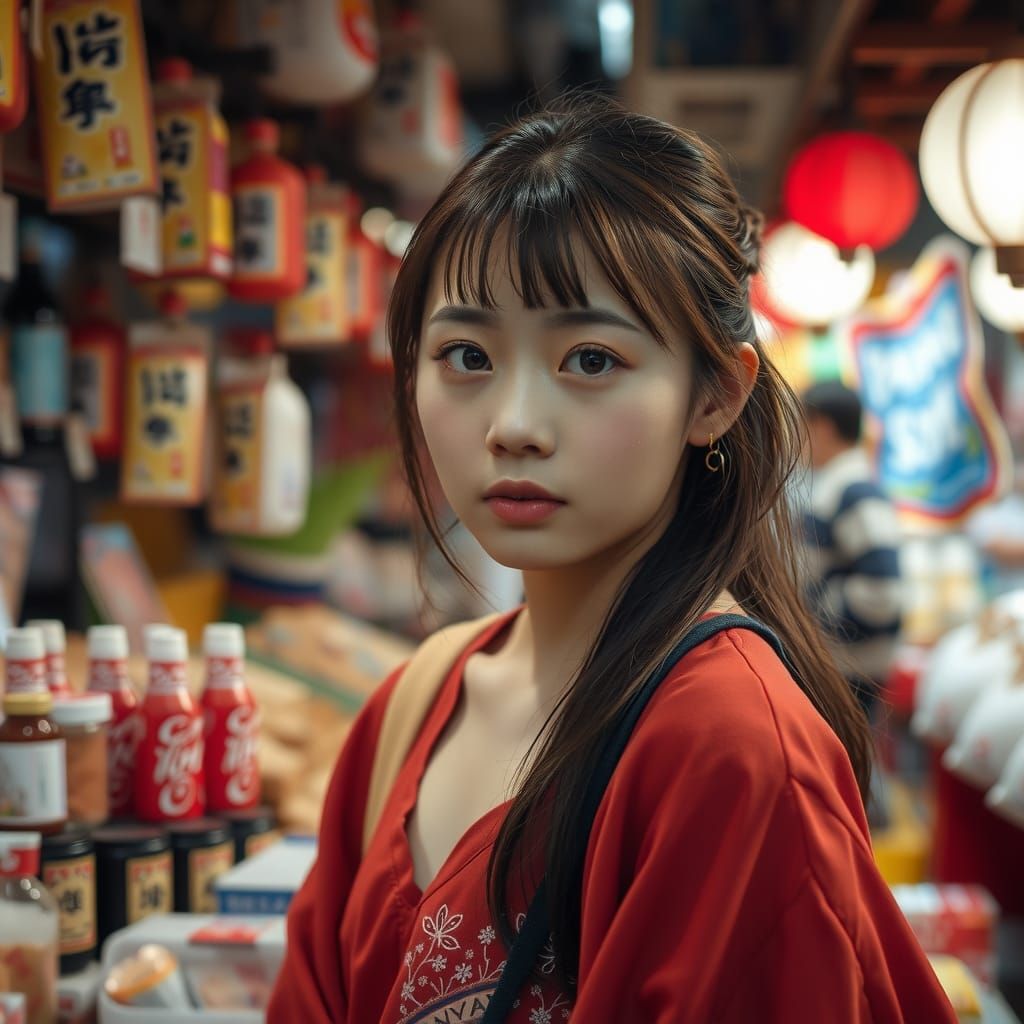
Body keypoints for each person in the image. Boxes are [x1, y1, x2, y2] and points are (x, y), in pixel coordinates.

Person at [270, 95, 955, 1022]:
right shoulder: (414, 702)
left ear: (713, 395)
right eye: (465, 354)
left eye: (590, 360)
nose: (513, 425)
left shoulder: (734, 750)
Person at [799, 381, 904, 718]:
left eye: (800, 426)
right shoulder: (837, 485)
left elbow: (884, 593)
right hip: (840, 664)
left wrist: (816, 613)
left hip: (849, 669)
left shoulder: (853, 492)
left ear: (822, 427)